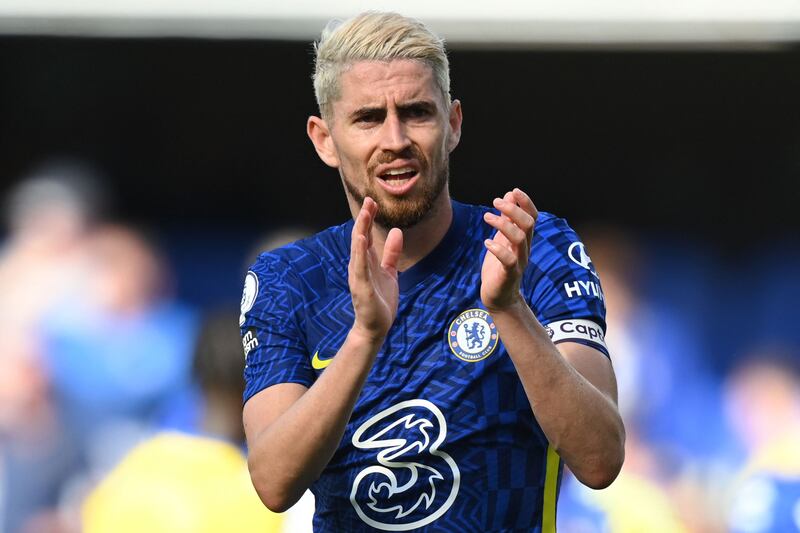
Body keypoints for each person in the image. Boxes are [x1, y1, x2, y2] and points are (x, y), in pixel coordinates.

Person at [241, 12, 625, 532]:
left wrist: (509, 309)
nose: (395, 138)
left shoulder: (534, 247)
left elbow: (600, 459)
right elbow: (274, 481)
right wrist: (364, 338)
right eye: (369, 118)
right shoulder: (291, 278)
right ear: (324, 139)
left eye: (417, 112)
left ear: (454, 124)